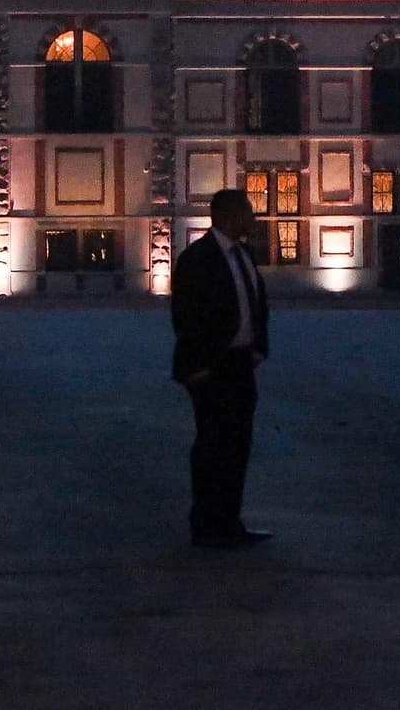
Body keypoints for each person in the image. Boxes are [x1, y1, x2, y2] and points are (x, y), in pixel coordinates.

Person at [170, 186, 272, 548]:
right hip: (212, 367)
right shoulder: (198, 258)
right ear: (228, 215)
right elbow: (186, 315)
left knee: (238, 445)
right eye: (247, 210)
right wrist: (197, 367)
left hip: (240, 362)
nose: (253, 217)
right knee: (213, 445)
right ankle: (206, 524)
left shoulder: (243, 253)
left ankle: (229, 520)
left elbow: (254, 301)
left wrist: (258, 347)